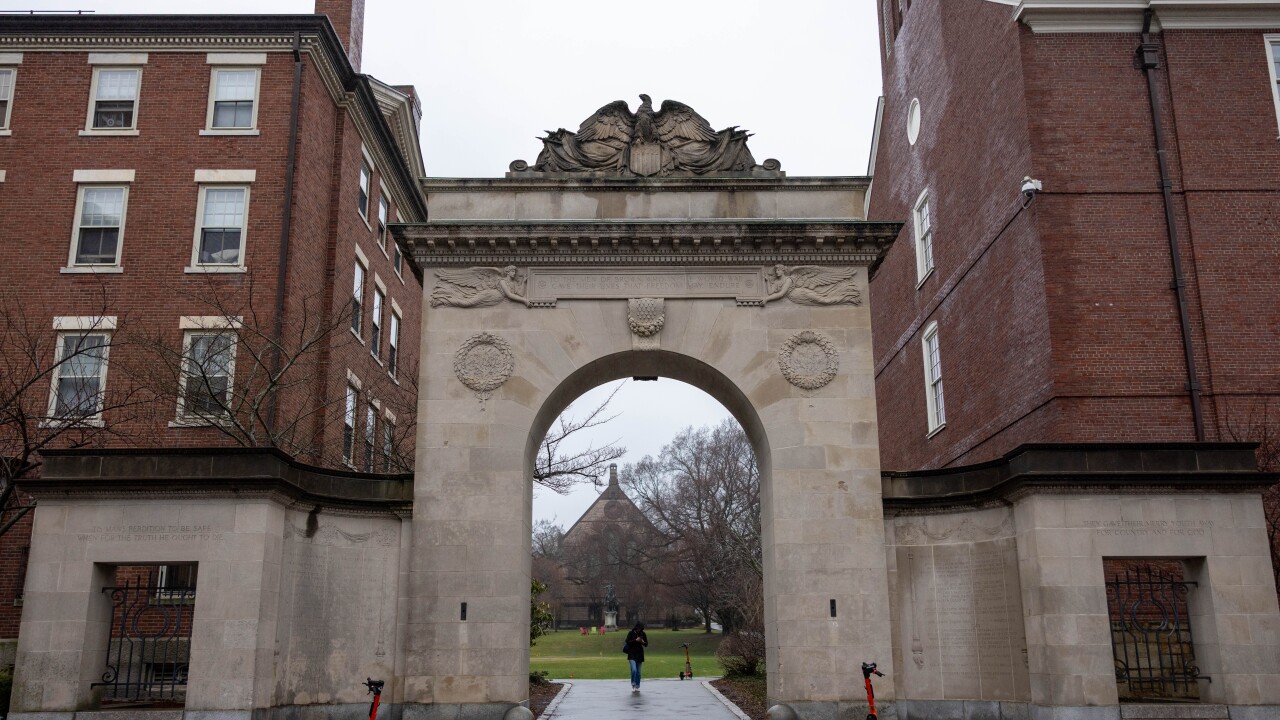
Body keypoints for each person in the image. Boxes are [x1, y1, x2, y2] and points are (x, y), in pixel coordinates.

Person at [624, 622, 648, 692]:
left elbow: (646, 644)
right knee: (634, 670)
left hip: (640, 654)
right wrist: (635, 640)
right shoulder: (630, 633)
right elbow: (627, 642)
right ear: (636, 627)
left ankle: (637, 686)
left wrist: (643, 642)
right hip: (631, 654)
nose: (640, 630)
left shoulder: (643, 634)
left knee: (639, 672)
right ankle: (633, 684)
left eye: (641, 629)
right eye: (639, 628)